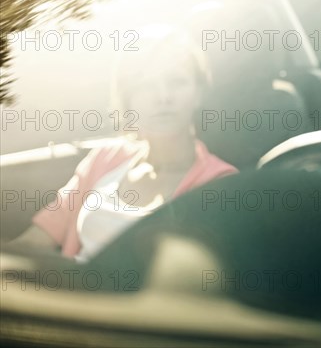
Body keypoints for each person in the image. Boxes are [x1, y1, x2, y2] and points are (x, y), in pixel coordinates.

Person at [7, 25, 238, 262]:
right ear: (129, 100)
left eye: (177, 82)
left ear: (198, 94)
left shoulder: (221, 184)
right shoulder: (104, 157)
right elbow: (36, 240)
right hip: (67, 292)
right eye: (146, 85)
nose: (163, 97)